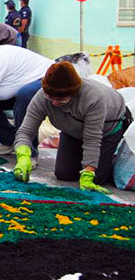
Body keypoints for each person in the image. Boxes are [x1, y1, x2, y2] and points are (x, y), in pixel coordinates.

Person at [13, 62, 131, 193]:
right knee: (65, 174)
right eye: (50, 97)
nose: (55, 102)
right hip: (72, 131)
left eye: (61, 99)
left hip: (106, 131)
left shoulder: (93, 97)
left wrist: (88, 171)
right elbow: (25, 131)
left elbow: (92, 138)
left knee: (97, 178)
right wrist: (23, 155)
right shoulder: (42, 97)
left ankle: (112, 157)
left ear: (74, 93)